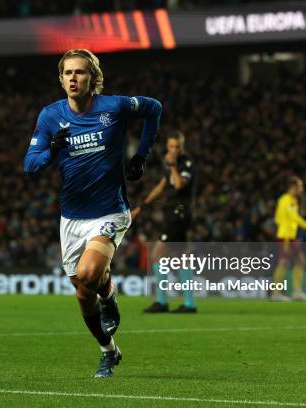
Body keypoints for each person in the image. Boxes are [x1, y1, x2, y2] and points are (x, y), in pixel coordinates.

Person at [23, 49, 161, 378]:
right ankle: (108, 351)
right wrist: (51, 151)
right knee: (83, 293)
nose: (74, 78)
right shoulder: (49, 116)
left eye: (80, 73)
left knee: (88, 274)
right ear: (60, 79)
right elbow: (29, 165)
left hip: (110, 210)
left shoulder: (114, 107)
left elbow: (154, 108)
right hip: (71, 217)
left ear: (93, 78)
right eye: (68, 73)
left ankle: (109, 294)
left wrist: (142, 155)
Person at [131, 130, 197, 313]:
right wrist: (141, 206)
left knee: (158, 253)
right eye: (171, 147)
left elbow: (178, 184)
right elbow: (162, 185)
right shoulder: (169, 164)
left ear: (182, 146)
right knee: (182, 259)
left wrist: (174, 165)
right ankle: (189, 304)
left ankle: (161, 301)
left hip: (179, 213)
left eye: (177, 146)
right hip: (172, 213)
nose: (174, 150)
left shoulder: (186, 163)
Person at [271, 176, 306, 301]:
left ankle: (297, 292)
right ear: (293, 187)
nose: (302, 188)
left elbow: (280, 218)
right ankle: (276, 294)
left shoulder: (292, 200)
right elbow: (292, 216)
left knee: (300, 260)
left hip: (290, 236)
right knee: (283, 262)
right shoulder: (285, 199)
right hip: (285, 236)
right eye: (300, 186)